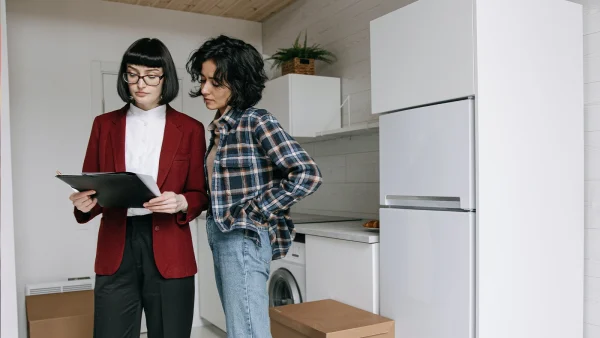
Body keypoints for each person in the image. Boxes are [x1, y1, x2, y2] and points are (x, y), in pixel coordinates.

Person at [68, 37, 208, 338]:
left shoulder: (191, 129)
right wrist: (84, 204)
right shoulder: (104, 125)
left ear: (165, 78)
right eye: (132, 74)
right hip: (117, 244)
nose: (140, 83)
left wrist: (182, 202)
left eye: (151, 75)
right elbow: (92, 187)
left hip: (170, 244)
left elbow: (199, 193)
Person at [186, 35, 323, 338]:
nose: (205, 90)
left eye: (216, 82)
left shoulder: (255, 121)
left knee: (246, 330)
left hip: (243, 236)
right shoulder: (220, 130)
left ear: (239, 83)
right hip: (222, 234)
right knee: (242, 327)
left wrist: (258, 208)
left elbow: (307, 174)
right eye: (204, 79)